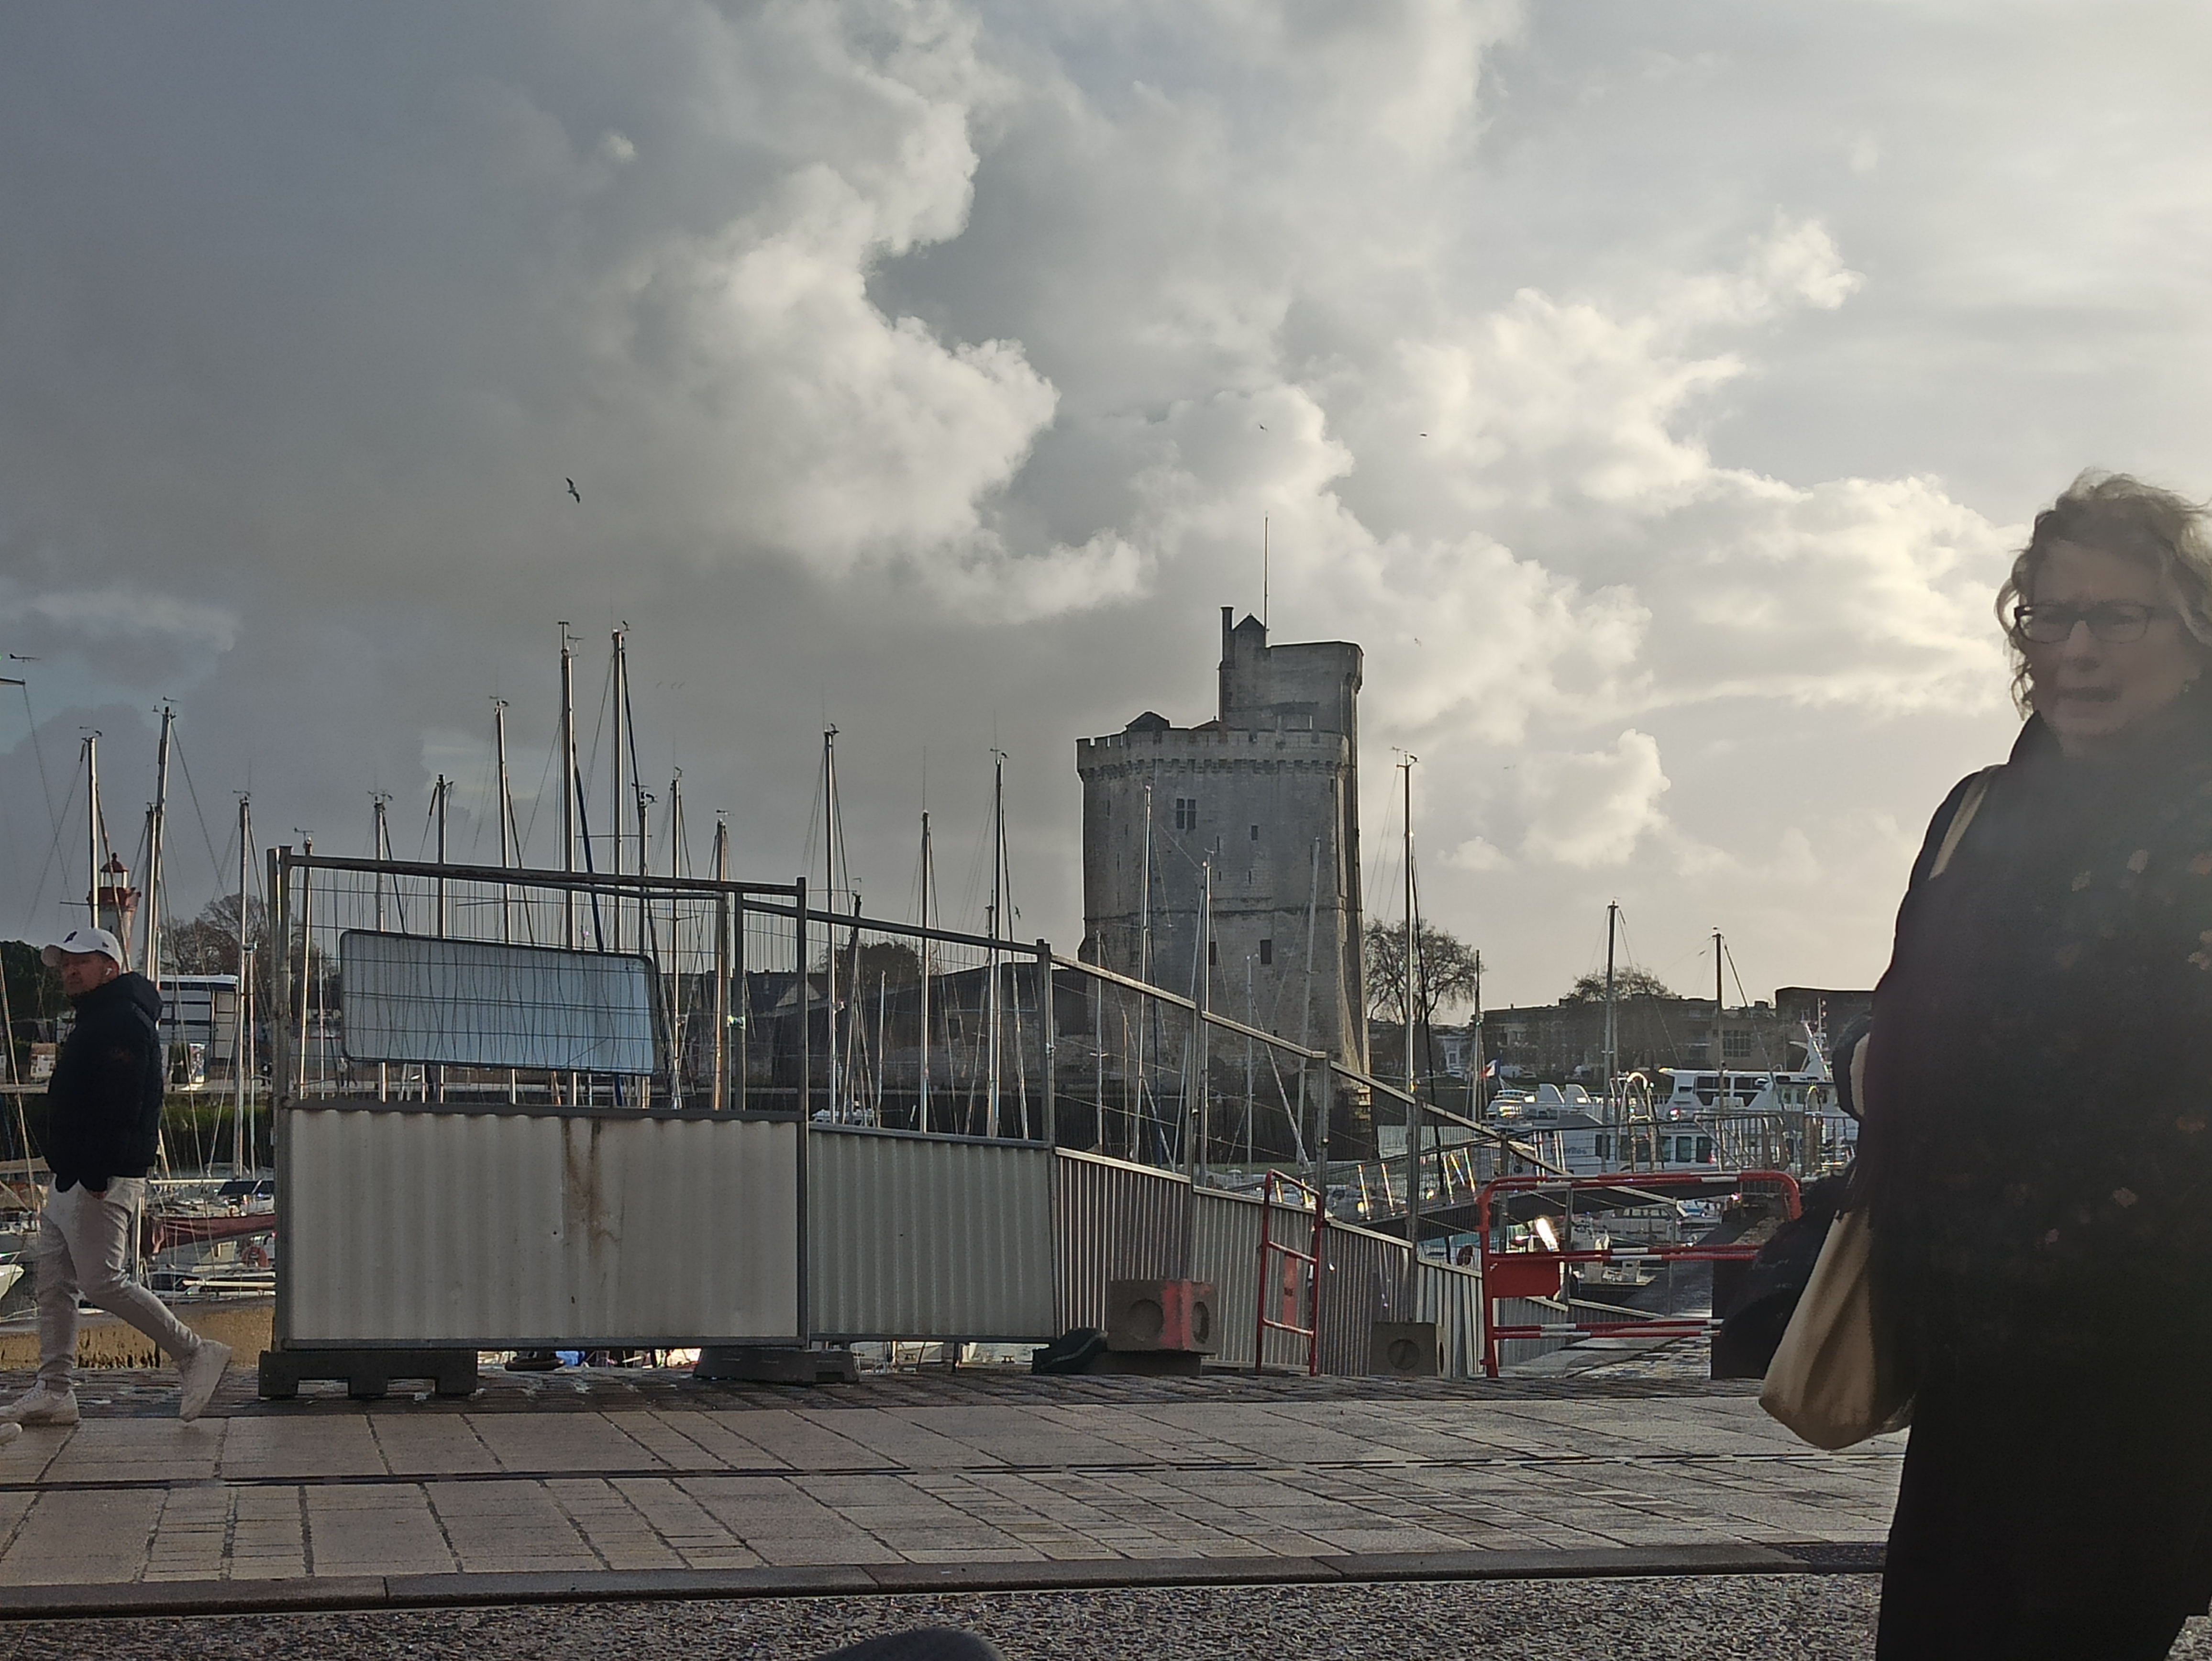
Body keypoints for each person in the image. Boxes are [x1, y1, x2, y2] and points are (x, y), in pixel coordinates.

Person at [1860, 472, 2212, 1658]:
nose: (2077, 649)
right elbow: (1896, 1011)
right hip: (1966, 1343)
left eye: (2116, 616)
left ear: (2193, 635)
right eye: (2049, 616)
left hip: (2148, 1351)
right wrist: (1871, 1065)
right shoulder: (1978, 813)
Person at [0, 928, 230, 1427]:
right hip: (73, 1173)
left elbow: (124, 1101)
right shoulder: (96, 1017)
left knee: (102, 1281)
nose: (69, 971)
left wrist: (97, 1170)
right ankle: (55, 1389)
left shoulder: (123, 1020)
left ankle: (194, 1352)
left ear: (109, 967)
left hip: (100, 1174)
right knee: (53, 1285)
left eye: (79, 962)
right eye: (65, 964)